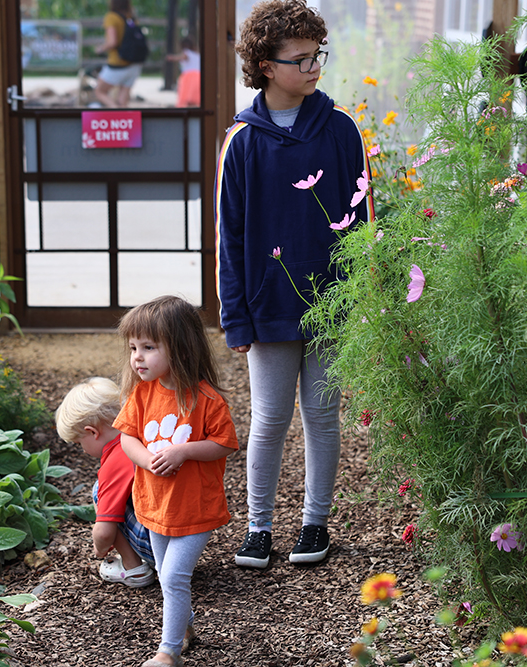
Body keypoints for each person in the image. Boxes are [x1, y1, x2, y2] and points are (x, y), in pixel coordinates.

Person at [215, 0, 374, 569]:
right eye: (300, 59)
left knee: (322, 417)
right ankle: (258, 529)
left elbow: (364, 221)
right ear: (264, 65)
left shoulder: (340, 129)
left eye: (317, 56)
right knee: (269, 419)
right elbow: (228, 235)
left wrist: (363, 300)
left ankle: (314, 524)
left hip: (331, 305)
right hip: (268, 307)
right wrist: (236, 315)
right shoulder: (242, 140)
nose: (313, 68)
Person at [114, 295, 238, 667]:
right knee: (170, 579)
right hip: (153, 504)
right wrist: (148, 462)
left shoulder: (206, 399)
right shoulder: (142, 393)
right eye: (134, 347)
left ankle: (168, 654)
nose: (137, 357)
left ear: (181, 348)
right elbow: (127, 438)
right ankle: (185, 629)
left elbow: (224, 444)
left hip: (194, 507)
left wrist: (183, 452)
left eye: (149, 347)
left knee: (171, 577)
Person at [55, 377, 156, 588]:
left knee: (98, 491)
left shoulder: (115, 461)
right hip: (187, 538)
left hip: (156, 542)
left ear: (93, 432)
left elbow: (103, 531)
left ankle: (133, 569)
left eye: (79, 442)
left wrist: (100, 548)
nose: (82, 450)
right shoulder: (145, 431)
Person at [93, 0, 142, 108]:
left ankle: (116, 112)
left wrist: (100, 49)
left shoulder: (111, 17)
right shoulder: (131, 17)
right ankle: (123, 118)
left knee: (99, 91)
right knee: (122, 100)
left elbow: (112, 42)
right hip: (134, 64)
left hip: (118, 64)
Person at [166, 35, 201, 107]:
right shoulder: (197, 53)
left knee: (186, 95)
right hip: (199, 75)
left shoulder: (187, 52)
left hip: (189, 76)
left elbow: (182, 57)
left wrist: (172, 58)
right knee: (195, 94)